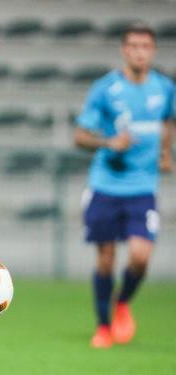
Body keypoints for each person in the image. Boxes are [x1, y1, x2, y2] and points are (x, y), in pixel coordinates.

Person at [74, 23, 173, 349]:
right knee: (105, 259)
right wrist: (109, 143)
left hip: (142, 188)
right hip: (106, 185)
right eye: (133, 46)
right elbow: (80, 136)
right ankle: (103, 327)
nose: (139, 52)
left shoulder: (164, 88)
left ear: (152, 50)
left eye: (145, 46)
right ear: (124, 50)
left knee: (141, 257)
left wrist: (165, 152)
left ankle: (122, 302)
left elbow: (168, 120)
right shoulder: (105, 89)